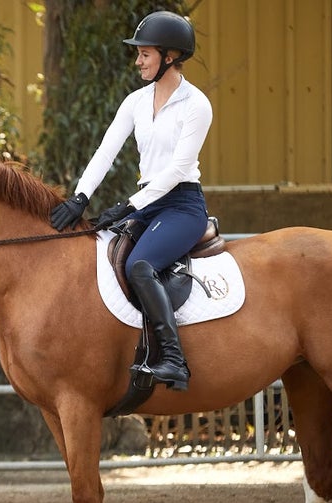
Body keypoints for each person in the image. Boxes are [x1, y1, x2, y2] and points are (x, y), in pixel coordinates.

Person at [50, 10, 213, 392]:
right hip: (149, 205)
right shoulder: (136, 102)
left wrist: (129, 205)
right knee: (105, 260)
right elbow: (105, 153)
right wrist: (80, 197)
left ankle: (173, 360)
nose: (137, 60)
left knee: (141, 266)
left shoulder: (196, 105)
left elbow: (177, 169)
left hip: (182, 206)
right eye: (138, 54)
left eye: (144, 53)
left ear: (170, 56)